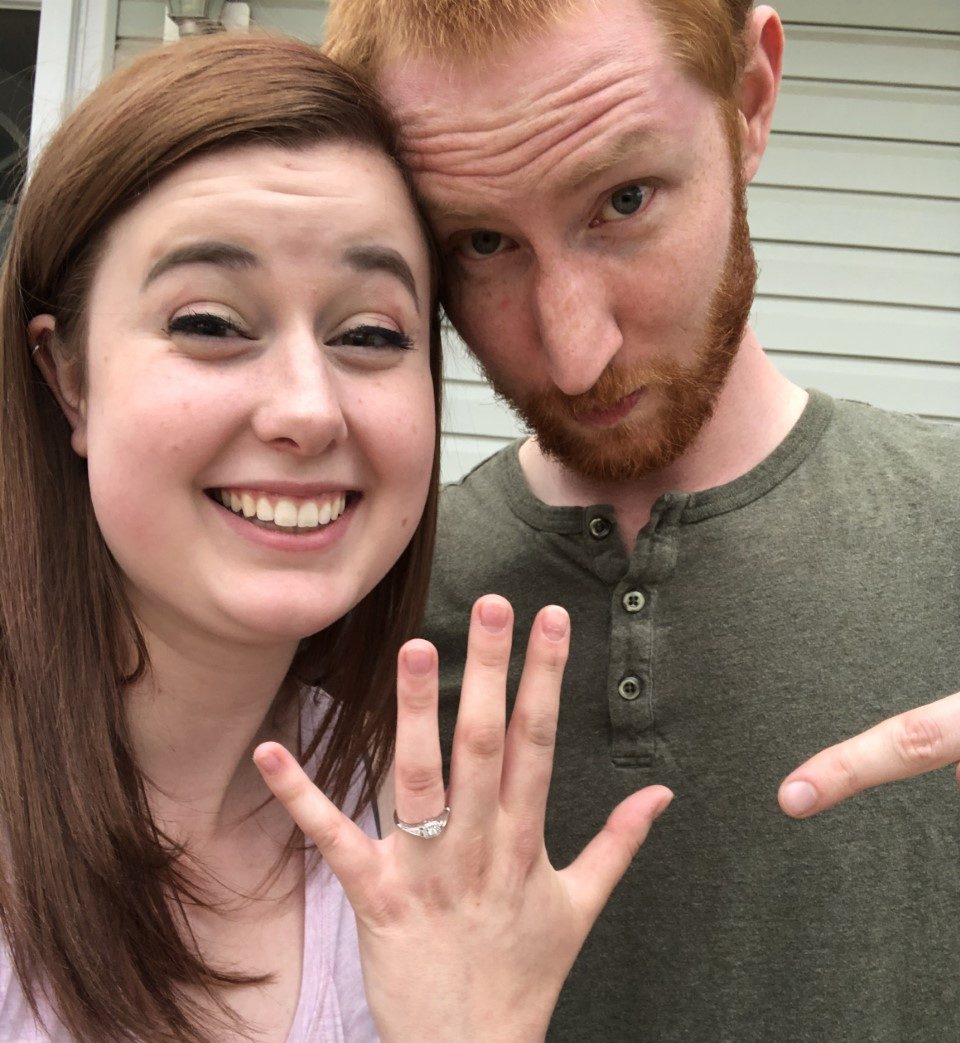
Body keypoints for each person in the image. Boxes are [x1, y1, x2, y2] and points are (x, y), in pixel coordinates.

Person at [0, 32, 672, 1043]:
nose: (309, 411)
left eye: (370, 334)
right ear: (69, 379)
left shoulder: (419, 834)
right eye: (210, 322)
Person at [325, 1, 960, 1039]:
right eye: (482, 243)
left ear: (750, 98)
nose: (575, 353)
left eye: (623, 200)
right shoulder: (353, 598)